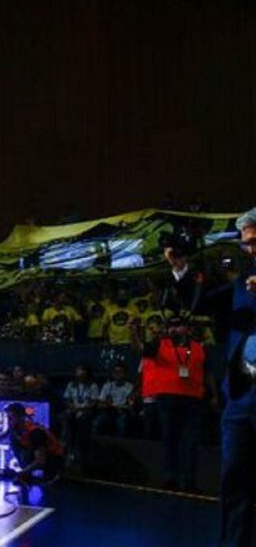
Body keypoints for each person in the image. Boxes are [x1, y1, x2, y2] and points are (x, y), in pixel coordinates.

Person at [210, 208, 256, 545]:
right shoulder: (243, 281)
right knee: (233, 480)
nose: (250, 250)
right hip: (240, 400)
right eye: (246, 245)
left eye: (254, 242)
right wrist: (181, 269)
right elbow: (201, 305)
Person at [133, 313, 212, 492]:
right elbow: (140, 349)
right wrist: (135, 331)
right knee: (170, 439)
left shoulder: (199, 347)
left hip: (193, 398)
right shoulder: (160, 344)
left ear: (187, 328)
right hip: (168, 398)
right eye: (171, 326)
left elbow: (208, 372)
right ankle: (170, 478)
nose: (173, 329)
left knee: (190, 442)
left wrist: (212, 394)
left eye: (178, 325)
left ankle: (189, 480)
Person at [93, 363, 135, 436]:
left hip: (121, 413)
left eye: (120, 371)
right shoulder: (108, 385)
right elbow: (99, 404)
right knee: (97, 422)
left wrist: (117, 407)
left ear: (125, 374)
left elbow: (131, 406)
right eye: (115, 372)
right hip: (108, 412)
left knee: (122, 424)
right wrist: (106, 404)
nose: (117, 374)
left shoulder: (130, 387)